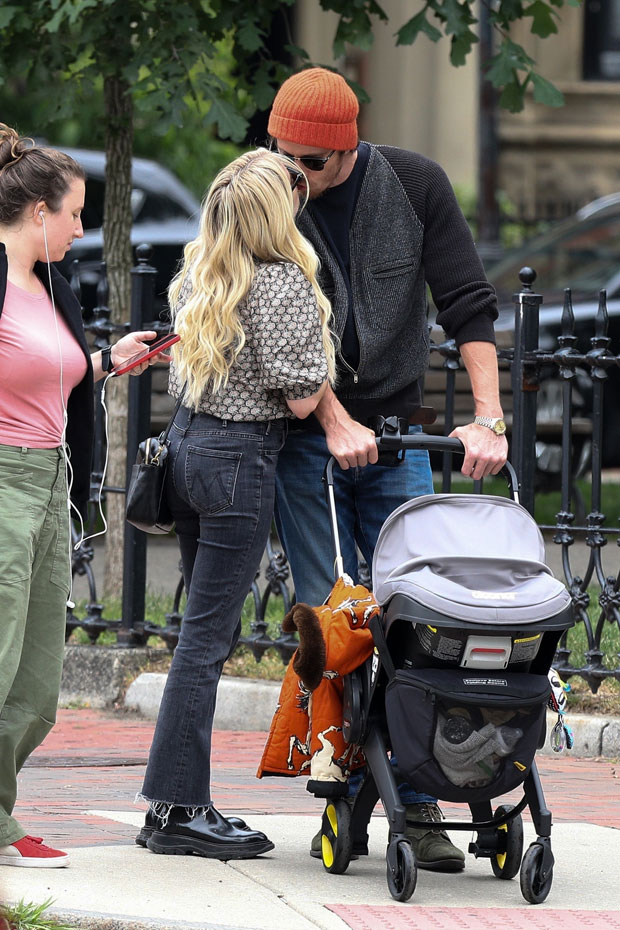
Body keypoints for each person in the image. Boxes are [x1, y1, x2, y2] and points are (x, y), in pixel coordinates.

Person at [268, 67, 509, 872]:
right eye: (282, 153)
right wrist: (334, 421)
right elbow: (261, 320)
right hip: (307, 440)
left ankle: (419, 801)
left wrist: (489, 418)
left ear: (346, 150)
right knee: (332, 623)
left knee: (414, 620)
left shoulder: (412, 184)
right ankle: (340, 797)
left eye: (311, 161)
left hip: (399, 436)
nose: (294, 173)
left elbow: (468, 302)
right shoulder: (264, 192)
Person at [135, 148, 335, 860]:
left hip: (186, 451)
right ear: (274, 216)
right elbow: (304, 396)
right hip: (238, 460)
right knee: (206, 641)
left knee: (197, 634)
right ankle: (181, 809)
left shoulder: (203, 270)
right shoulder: (280, 282)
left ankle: (169, 806)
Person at [0, 124, 167, 868]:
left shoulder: (55, 290)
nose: (80, 228)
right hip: (2, 482)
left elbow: (47, 377)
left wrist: (105, 361)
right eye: (73, 213)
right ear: (38, 211)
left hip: (50, 486)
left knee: (35, 683)